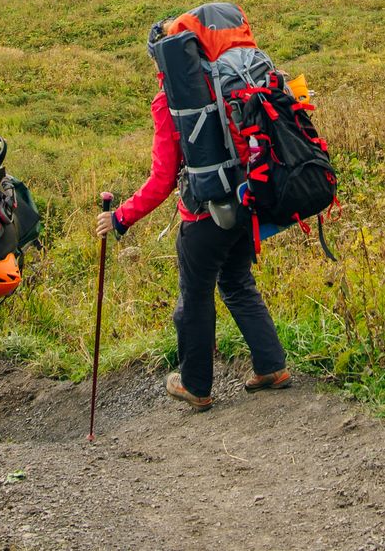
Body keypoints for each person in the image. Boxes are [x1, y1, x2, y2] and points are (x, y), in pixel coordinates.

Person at [95, 83, 291, 410]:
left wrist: (120, 218)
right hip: (247, 204)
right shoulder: (231, 82)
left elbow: (162, 179)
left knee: (195, 299)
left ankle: (195, 387)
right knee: (237, 283)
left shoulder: (172, 100)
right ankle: (272, 367)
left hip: (203, 218)